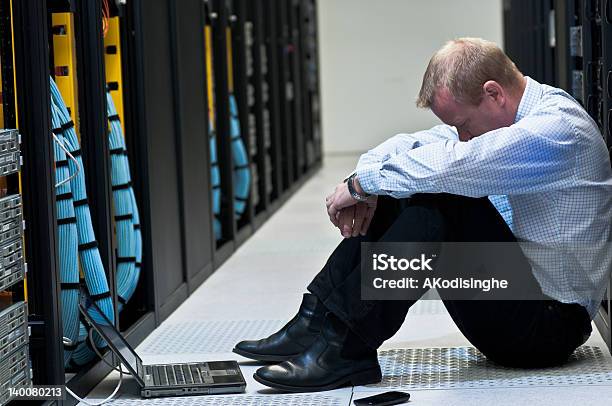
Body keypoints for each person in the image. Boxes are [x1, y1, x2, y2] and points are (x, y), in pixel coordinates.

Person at [233, 38, 612, 392]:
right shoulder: (501, 119)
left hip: (546, 328)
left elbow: (454, 164)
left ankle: (346, 345)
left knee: (443, 192)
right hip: (512, 298)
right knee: (409, 181)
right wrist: (363, 183)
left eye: (462, 124)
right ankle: (316, 321)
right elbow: (413, 145)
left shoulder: (558, 129)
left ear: (493, 93)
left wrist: (364, 186)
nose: (460, 136)